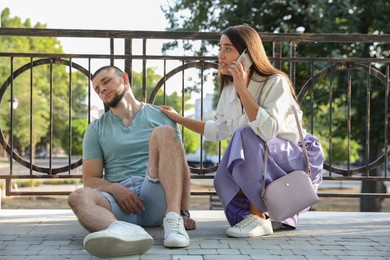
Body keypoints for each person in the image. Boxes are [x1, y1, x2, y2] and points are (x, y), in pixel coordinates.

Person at [160, 24, 324, 238]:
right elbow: (218, 130)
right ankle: (259, 214)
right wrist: (178, 118)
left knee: (246, 133)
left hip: (289, 159)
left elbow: (268, 131)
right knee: (222, 176)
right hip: (261, 159)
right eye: (220, 48)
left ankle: (259, 217)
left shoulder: (275, 82)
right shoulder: (229, 90)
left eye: (228, 49)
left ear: (247, 53)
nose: (220, 55)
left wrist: (243, 91)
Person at [68, 65, 195, 258]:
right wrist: (115, 189)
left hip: (156, 194)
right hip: (118, 205)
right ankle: (121, 231)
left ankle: (173, 221)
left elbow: (181, 167)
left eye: (105, 82)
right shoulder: (95, 129)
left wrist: (184, 212)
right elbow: (91, 180)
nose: (101, 89)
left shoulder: (162, 115)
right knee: (77, 197)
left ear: (125, 79)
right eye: (96, 88)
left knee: (164, 132)